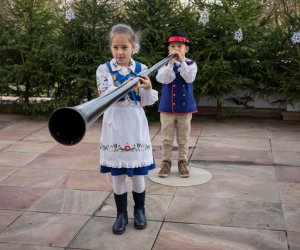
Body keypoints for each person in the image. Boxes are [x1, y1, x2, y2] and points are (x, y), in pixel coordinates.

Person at [96, 23, 158, 234]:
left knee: (138, 175)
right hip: (114, 127)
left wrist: (148, 88)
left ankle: (139, 210)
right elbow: (106, 96)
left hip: (134, 126)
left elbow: (147, 102)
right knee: (118, 175)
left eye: (124, 47)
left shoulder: (142, 69)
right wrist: (128, 85)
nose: (120, 52)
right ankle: (121, 214)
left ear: (133, 46)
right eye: (115, 47)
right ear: (110, 48)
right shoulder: (104, 69)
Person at [156, 28, 198, 178]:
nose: (176, 49)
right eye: (173, 46)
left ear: (186, 49)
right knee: (166, 137)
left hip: (185, 108)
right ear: (168, 48)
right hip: (167, 108)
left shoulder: (191, 64)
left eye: (179, 46)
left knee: (183, 137)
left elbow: (189, 78)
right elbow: (163, 79)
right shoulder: (164, 64)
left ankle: (182, 162)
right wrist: (170, 64)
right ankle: (166, 162)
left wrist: (181, 63)